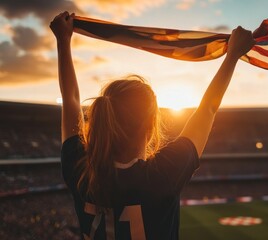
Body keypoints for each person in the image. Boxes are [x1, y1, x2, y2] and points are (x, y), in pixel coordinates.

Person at [51, 11, 255, 240]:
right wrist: (233, 56)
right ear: (149, 129)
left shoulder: (80, 169)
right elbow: (208, 109)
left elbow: (70, 100)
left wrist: (63, 41)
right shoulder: (161, 175)